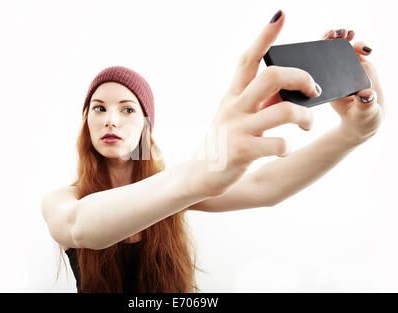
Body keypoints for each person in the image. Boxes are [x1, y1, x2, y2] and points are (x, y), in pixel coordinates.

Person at [41, 10, 385, 293]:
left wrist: (352, 134)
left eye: (128, 110)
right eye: (99, 109)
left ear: (147, 125)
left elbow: (265, 186)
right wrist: (198, 174)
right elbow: (78, 226)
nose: (111, 120)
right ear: (86, 121)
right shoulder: (63, 200)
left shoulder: (172, 185)